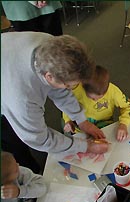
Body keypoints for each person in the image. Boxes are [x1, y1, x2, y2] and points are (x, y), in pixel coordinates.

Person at [1, 32, 109, 174]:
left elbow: (61, 90)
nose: (70, 89)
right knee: (14, 142)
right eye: (70, 86)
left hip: (8, 53)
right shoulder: (23, 99)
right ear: (48, 77)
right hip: (8, 89)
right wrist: (85, 146)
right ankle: (32, 173)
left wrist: (81, 120)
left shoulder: (51, 44)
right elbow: (39, 138)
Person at [63, 65, 130, 142]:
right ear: (83, 87)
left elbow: (129, 106)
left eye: (101, 97)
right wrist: (68, 120)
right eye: (91, 98)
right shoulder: (75, 90)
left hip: (104, 125)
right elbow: (66, 106)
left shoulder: (113, 91)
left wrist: (123, 124)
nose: (95, 101)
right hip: (81, 127)